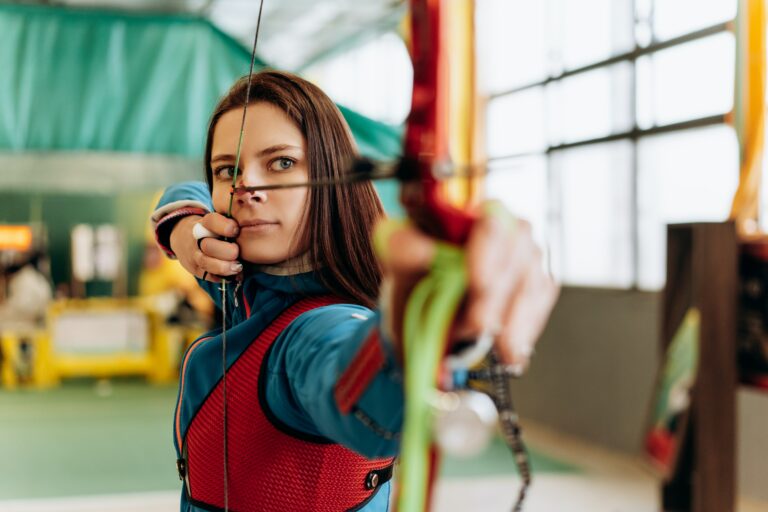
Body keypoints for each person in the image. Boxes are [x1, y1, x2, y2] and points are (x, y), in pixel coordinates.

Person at [152, 70, 558, 512]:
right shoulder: (239, 281)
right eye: (227, 170)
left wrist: (422, 326)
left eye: (281, 163)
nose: (245, 189)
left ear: (332, 176)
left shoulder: (314, 331)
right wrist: (185, 227)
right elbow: (183, 192)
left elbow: (357, 386)